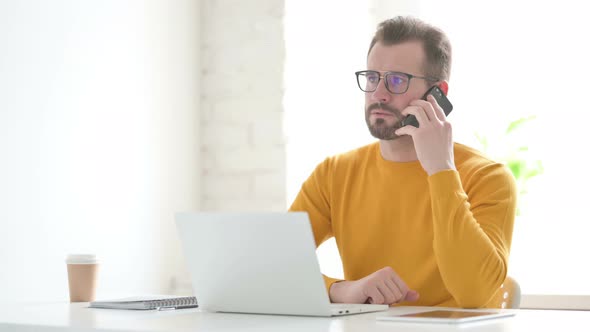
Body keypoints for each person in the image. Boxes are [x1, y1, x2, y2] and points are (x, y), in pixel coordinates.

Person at [289, 16, 517, 308]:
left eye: (397, 80)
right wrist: (341, 290)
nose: (378, 94)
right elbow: (274, 264)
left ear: (438, 94)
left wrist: (441, 170)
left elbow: (474, 293)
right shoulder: (334, 174)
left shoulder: (488, 177)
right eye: (372, 78)